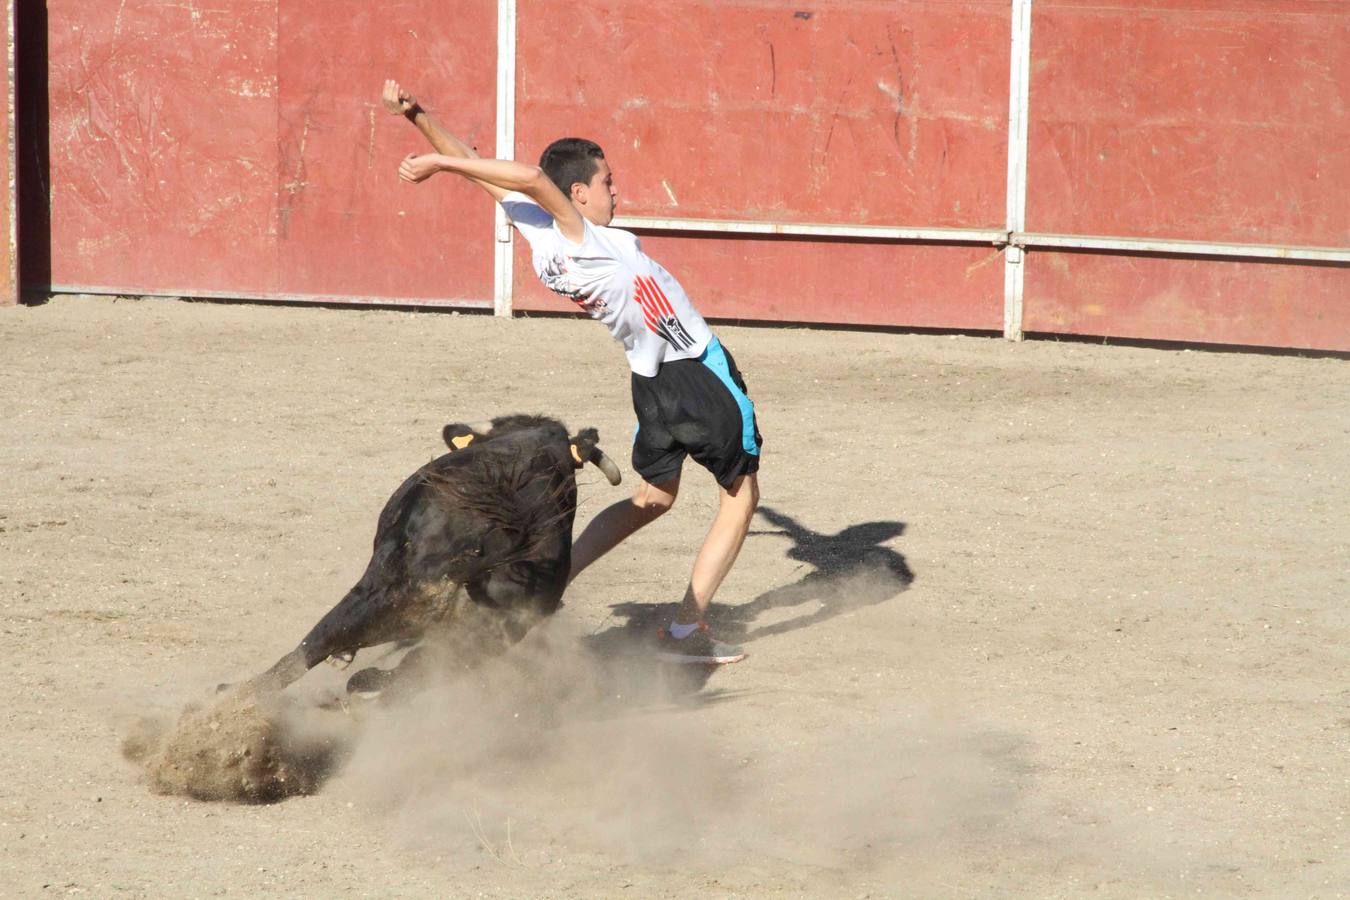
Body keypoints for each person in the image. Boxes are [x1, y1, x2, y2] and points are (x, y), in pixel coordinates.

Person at [382, 80, 761, 665]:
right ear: (578, 194)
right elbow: (529, 178)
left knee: (654, 498)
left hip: (650, 382)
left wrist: (419, 118)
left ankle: (547, 586)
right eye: (607, 182)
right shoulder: (586, 240)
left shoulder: (543, 240)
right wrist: (435, 159)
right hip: (697, 372)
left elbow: (481, 172)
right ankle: (686, 632)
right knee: (740, 496)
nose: (616, 190)